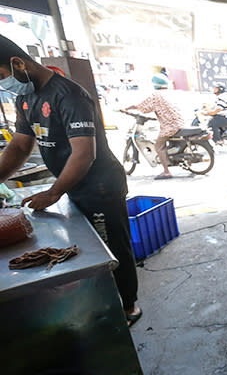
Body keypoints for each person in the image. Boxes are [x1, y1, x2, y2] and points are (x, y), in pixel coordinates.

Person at [0, 34, 143, 327]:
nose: (3, 83)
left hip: (100, 185)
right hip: (74, 185)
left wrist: (52, 193)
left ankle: (128, 306)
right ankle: (103, 299)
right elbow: (19, 146)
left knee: (111, 246)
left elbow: (83, 154)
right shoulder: (25, 97)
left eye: (1, 76)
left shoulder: (68, 95)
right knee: (91, 249)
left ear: (17, 63)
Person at [121, 83, 185, 180]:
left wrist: (126, 108)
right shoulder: (168, 94)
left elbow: (141, 106)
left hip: (170, 126)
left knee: (158, 146)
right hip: (178, 123)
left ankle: (166, 172)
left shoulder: (156, 96)